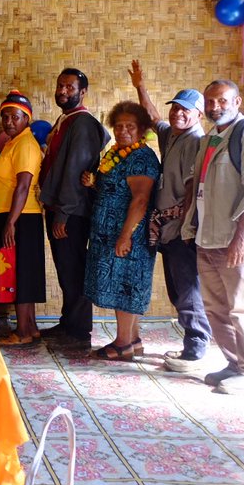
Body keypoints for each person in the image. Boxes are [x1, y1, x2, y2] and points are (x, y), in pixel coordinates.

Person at [182, 80, 244, 394]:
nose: (214, 107)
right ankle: (235, 363)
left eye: (221, 101)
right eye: (209, 102)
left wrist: (241, 238)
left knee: (243, 307)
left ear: (237, 101)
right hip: (208, 238)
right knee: (217, 307)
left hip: (239, 241)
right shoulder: (210, 138)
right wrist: (190, 228)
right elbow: (199, 186)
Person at [128, 61, 212, 370]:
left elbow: (191, 189)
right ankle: (193, 342)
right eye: (175, 108)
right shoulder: (173, 135)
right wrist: (140, 86)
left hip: (182, 229)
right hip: (167, 227)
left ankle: (196, 346)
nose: (178, 113)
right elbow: (152, 117)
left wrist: (185, 225)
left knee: (188, 288)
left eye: (185, 110)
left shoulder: (196, 142)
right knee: (178, 288)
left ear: (198, 115)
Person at [82, 102, 160, 360]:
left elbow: (140, 200)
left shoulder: (141, 157)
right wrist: (93, 185)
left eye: (130, 127)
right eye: (119, 126)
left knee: (126, 287)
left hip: (128, 235)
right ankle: (133, 340)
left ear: (142, 130)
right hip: (110, 233)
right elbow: (115, 190)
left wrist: (126, 235)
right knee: (120, 285)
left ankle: (123, 343)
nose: (123, 131)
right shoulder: (117, 153)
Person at [38, 68, 110, 349]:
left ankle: (79, 331)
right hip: (59, 207)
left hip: (71, 211)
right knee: (65, 268)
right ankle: (69, 322)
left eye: (69, 87)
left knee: (74, 267)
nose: (63, 91)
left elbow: (75, 170)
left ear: (83, 92)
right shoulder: (65, 119)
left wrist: (64, 212)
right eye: (59, 86)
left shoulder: (82, 123)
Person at [0, 91, 45, 346]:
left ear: (26, 119)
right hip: (14, 216)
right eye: (5, 116)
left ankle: (22, 332)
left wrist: (10, 222)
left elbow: (23, 185)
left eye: (15, 117)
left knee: (20, 274)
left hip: (20, 217)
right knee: (24, 271)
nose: (9, 121)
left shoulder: (25, 144)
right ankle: (29, 327)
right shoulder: (13, 142)